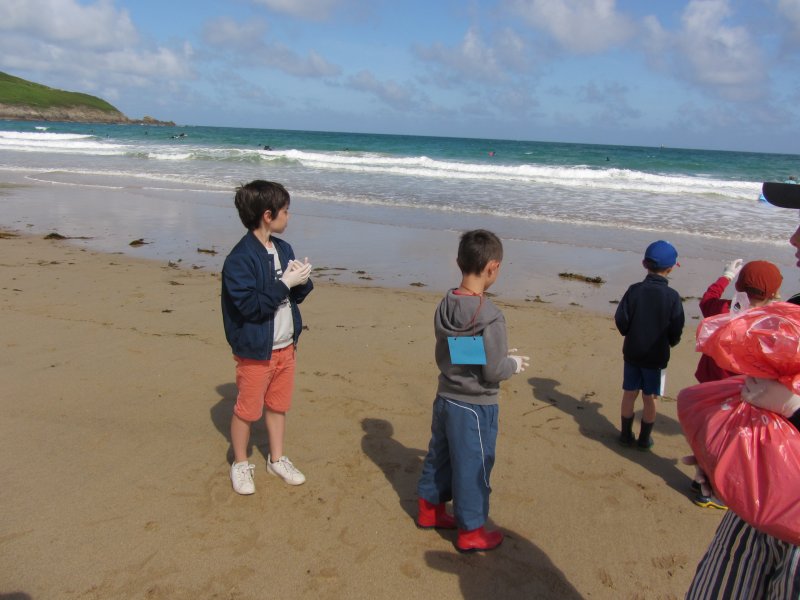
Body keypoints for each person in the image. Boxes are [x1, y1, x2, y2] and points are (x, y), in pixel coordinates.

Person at [685, 187, 800, 597]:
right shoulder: (789, 311)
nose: (794, 238)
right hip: (761, 495)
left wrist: (794, 409)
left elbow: (709, 304)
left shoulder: (738, 314)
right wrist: (730, 453)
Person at [415, 229, 529, 553]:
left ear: (459, 262)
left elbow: (459, 349)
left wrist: (494, 356)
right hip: (475, 405)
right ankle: (472, 529)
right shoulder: (491, 317)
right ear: (493, 267)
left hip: (446, 397)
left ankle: (429, 508)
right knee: (473, 465)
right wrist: (511, 364)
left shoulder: (446, 304)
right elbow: (492, 371)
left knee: (440, 454)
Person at [221, 180, 314, 495]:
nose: (289, 216)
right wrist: (285, 283)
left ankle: (277, 459)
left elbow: (292, 297)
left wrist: (302, 280)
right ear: (267, 215)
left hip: (286, 347)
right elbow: (251, 307)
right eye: (285, 211)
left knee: (278, 406)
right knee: (248, 410)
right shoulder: (240, 259)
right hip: (256, 351)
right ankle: (240, 462)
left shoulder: (283, 248)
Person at [614, 240, 685, 450]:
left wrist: (629, 333)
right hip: (656, 356)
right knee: (650, 397)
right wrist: (671, 342)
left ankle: (625, 435)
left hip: (633, 352)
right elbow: (676, 326)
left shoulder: (634, 290)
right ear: (671, 268)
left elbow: (621, 319)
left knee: (629, 393)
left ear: (644, 264)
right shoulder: (672, 297)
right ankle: (644, 439)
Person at [695, 259, 783, 383]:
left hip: (710, 382)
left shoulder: (722, 309)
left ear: (738, 286)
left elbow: (708, 299)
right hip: (746, 386)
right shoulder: (773, 323)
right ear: (775, 292)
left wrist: (727, 276)